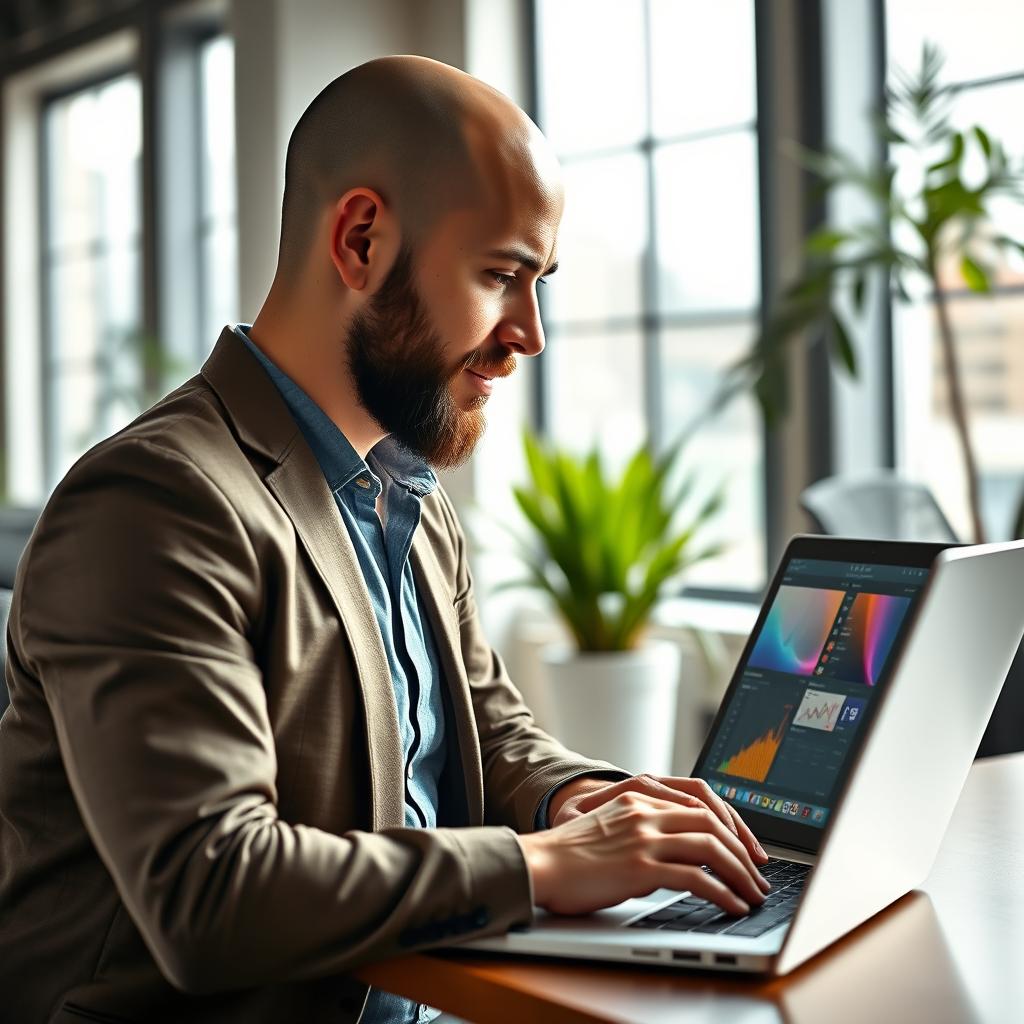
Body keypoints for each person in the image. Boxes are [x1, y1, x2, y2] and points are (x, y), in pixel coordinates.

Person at [0, 56, 769, 1024]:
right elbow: (210, 892)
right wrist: (542, 865)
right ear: (361, 239)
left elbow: (486, 729)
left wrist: (578, 804)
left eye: (540, 282)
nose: (530, 332)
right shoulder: (155, 503)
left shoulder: (405, 486)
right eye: (501, 275)